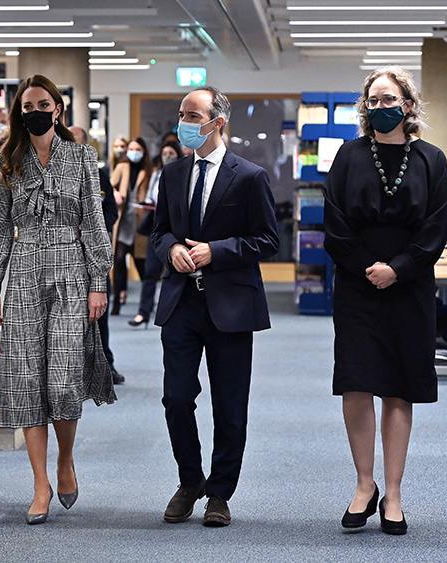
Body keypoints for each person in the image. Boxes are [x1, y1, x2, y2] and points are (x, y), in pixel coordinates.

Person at [0, 75, 116, 525]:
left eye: (42, 103)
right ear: (20, 112)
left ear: (57, 108)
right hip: (23, 274)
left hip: (71, 274)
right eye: (26, 105)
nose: (34, 110)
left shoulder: (81, 157)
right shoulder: (5, 163)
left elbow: (94, 223)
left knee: (61, 380)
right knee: (26, 381)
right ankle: (39, 484)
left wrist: (100, 280)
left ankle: (65, 460)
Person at [322, 66, 447, 536]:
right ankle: (364, 484)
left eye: (389, 99)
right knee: (357, 383)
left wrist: (398, 267)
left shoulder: (432, 160)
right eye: (373, 101)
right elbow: (333, 223)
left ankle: (393, 494)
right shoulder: (348, 155)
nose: (380, 108)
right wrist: (368, 267)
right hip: (357, 286)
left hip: (410, 286)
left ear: (408, 105)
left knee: (398, 386)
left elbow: (437, 227)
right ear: (365, 107)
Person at [151, 86, 279, 527]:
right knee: (176, 397)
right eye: (182, 114)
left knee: (229, 404)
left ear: (217, 122)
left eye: (192, 115)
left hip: (231, 305)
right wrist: (171, 251)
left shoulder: (250, 176)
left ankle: (220, 494)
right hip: (182, 301)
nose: (183, 122)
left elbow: (267, 240)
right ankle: (191, 481)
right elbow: (159, 234)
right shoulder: (171, 175)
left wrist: (216, 251)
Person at [71, 126, 124, 384]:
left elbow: (111, 210)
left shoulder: (99, 175)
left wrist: (95, 227)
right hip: (64, 258)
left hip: (94, 257)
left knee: (98, 313)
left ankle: (106, 365)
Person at [130, 140, 184, 328]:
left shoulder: (183, 174)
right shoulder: (156, 174)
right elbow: (150, 197)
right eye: (165, 153)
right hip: (157, 226)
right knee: (150, 271)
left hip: (177, 229)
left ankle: (173, 312)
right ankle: (143, 312)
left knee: (175, 272)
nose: (168, 156)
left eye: (171, 153)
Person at [110, 137, 154, 315]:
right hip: (123, 220)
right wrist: (115, 194)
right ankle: (117, 303)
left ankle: (146, 303)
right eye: (132, 149)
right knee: (119, 260)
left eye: (138, 150)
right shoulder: (122, 167)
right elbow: (109, 186)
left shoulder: (149, 170)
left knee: (142, 263)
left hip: (140, 222)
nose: (134, 153)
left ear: (143, 152)